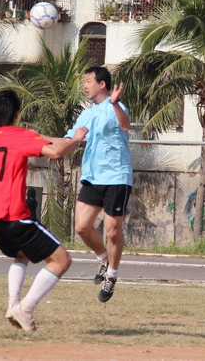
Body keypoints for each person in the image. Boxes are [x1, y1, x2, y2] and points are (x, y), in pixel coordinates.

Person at [0, 89, 88, 332]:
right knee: (62, 260)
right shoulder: (20, 136)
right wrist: (76, 140)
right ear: (16, 114)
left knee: (21, 255)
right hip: (15, 216)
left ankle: (13, 304)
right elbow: (56, 152)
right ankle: (26, 308)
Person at [65, 66, 133, 303]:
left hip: (117, 178)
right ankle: (103, 258)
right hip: (92, 177)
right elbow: (70, 138)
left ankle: (112, 276)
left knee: (112, 231)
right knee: (82, 227)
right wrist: (44, 143)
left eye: (88, 81)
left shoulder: (117, 106)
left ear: (102, 84)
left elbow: (125, 125)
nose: (84, 86)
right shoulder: (86, 114)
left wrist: (115, 104)